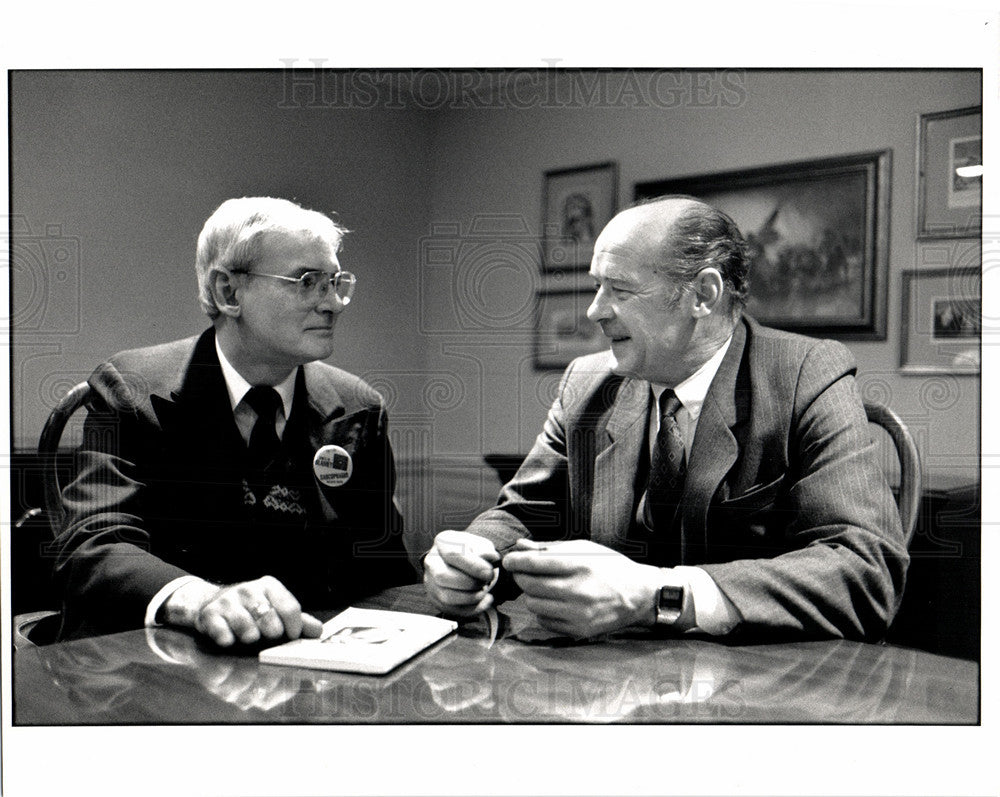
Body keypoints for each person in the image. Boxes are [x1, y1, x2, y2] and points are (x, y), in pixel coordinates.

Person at [423, 196, 908, 641]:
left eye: (620, 290)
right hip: (601, 684)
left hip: (753, 691)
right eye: (597, 286)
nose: (594, 311)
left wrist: (659, 594)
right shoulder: (587, 383)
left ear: (703, 295)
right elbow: (526, 515)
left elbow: (864, 570)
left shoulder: (806, 374)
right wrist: (470, 558)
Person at [54, 197, 412, 645]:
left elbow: (383, 566)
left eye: (336, 283)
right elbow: (94, 544)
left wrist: (449, 588)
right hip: (161, 665)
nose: (334, 304)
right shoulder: (132, 390)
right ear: (228, 292)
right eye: (307, 282)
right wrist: (201, 600)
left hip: (308, 670)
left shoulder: (359, 407)